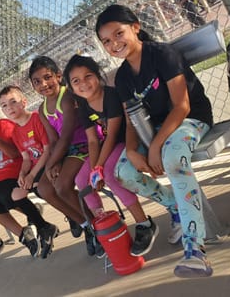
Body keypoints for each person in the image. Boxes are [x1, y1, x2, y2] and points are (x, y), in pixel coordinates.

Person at [96, 4, 214, 278]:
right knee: (123, 171)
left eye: (118, 33)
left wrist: (156, 147)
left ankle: (195, 250)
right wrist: (131, 150)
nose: (114, 43)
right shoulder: (123, 76)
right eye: (106, 41)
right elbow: (131, 118)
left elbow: (182, 106)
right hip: (159, 128)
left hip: (190, 119)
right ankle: (176, 205)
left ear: (135, 27)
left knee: (173, 159)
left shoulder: (162, 54)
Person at [63, 54, 158, 257]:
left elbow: (113, 133)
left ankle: (144, 223)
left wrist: (98, 168)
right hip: (108, 144)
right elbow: (92, 141)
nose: (84, 83)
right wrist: (93, 167)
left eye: (88, 76)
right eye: (76, 81)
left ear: (98, 75)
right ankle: (105, 224)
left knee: (110, 173)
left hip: (127, 140)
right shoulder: (83, 105)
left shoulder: (111, 95)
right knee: (82, 179)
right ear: (71, 88)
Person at [0, 96, 57, 260]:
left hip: (16, 169)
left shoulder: (5, 125)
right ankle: (24, 235)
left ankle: (43, 227)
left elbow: (15, 153)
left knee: (6, 197)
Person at [28, 56, 102, 257]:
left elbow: (68, 133)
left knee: (61, 186)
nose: (43, 84)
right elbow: (53, 141)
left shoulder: (67, 96)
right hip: (65, 150)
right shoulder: (42, 109)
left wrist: (53, 163)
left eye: (47, 77)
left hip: (82, 143)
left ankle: (98, 227)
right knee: (44, 188)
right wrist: (54, 163)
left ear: (58, 76)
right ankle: (86, 224)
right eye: (37, 81)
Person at [0, 85, 76, 258]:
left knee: (38, 186)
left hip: (49, 163)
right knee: (16, 195)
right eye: (4, 105)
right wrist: (22, 174)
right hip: (34, 167)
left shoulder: (35, 118)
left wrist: (32, 175)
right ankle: (45, 227)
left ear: (24, 102)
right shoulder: (16, 132)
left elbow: (47, 150)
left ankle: (71, 214)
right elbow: (26, 158)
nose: (9, 107)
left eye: (13, 102)